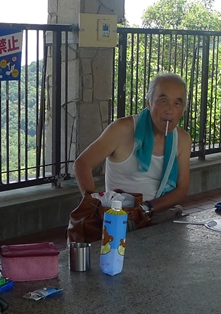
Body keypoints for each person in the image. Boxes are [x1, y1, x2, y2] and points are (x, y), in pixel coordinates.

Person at [74, 73, 192, 217]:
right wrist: (95, 206)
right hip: (118, 216)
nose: (170, 110)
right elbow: (82, 163)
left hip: (157, 212)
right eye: (163, 101)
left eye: (177, 104)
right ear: (149, 103)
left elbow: (182, 189)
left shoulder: (182, 140)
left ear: (183, 109)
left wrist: (146, 209)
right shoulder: (121, 130)